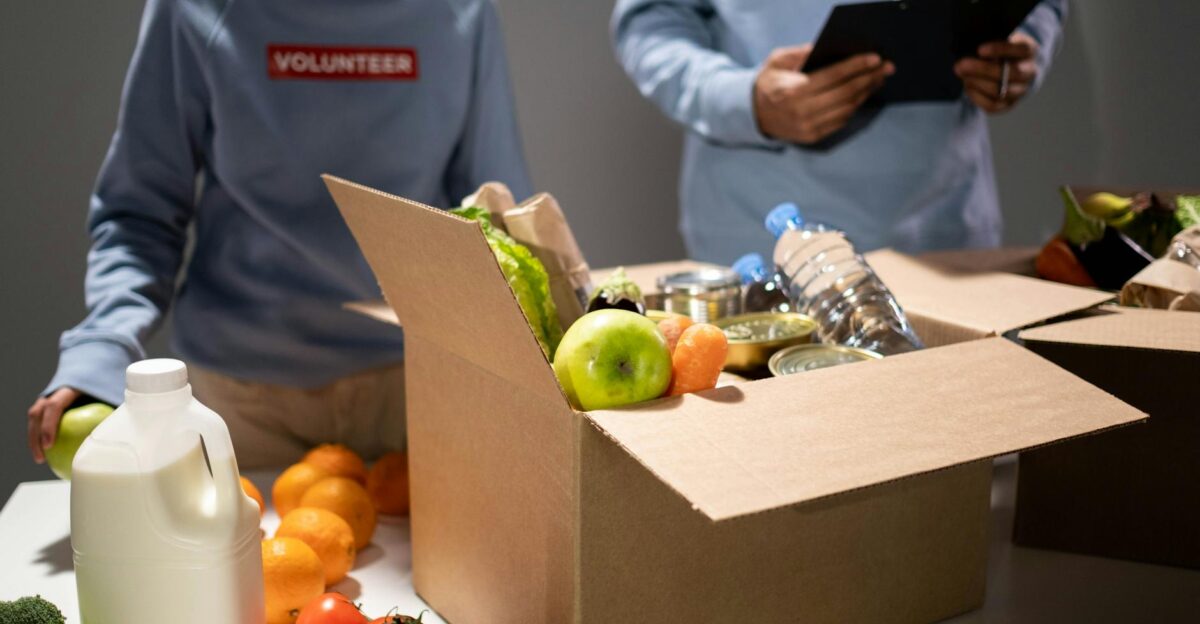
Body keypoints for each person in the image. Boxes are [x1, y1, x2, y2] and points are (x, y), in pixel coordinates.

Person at [27, 0, 531, 468]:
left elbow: (496, 215)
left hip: (410, 392)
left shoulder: (461, 12)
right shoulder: (192, 9)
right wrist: (102, 347)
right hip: (238, 403)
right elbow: (142, 211)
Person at [612, 0, 1067, 262]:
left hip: (945, 229)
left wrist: (1026, 47)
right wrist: (744, 99)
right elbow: (650, 23)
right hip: (762, 240)